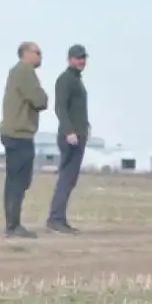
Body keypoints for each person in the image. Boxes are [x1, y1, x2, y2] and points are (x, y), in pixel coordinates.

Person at [0, 41, 49, 238]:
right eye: (37, 52)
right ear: (26, 53)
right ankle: (13, 225)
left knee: (18, 180)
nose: (40, 57)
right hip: (19, 134)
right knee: (18, 181)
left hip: (15, 133)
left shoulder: (18, 71)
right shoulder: (24, 71)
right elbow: (40, 100)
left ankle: (13, 224)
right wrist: (42, 95)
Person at [47, 44, 90, 234]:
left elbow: (76, 108)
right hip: (70, 137)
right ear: (70, 59)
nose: (81, 61)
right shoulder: (66, 79)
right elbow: (60, 107)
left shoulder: (76, 80)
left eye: (83, 58)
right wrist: (69, 131)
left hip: (78, 134)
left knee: (70, 179)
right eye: (78, 58)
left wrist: (85, 126)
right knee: (66, 178)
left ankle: (59, 219)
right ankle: (55, 219)